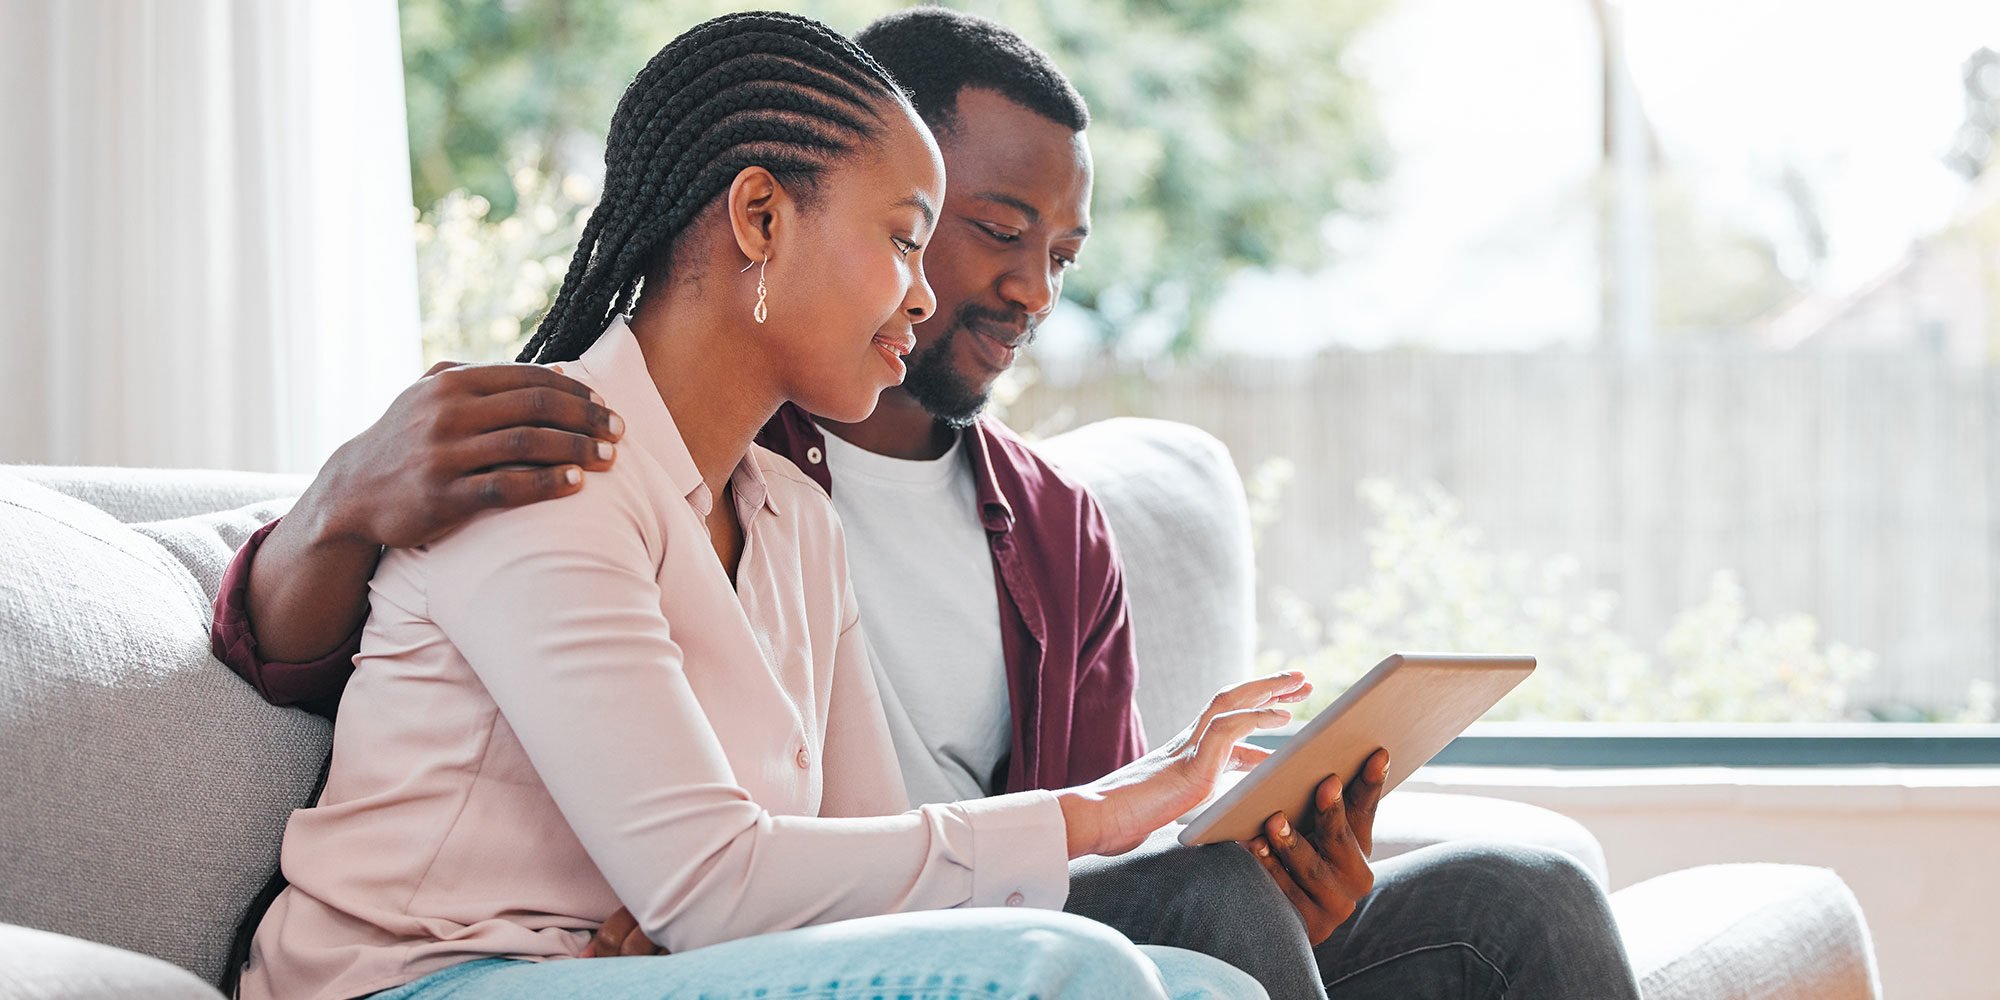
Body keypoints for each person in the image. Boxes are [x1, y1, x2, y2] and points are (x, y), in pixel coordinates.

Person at [217, 9, 1644, 1000]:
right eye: (931, 235)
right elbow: (714, 877)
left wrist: (1165, 829)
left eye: (1060, 253)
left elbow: (835, 872)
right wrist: (1091, 817)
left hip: (706, 942)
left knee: (1360, 921)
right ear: (764, 220)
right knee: (1105, 963)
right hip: (437, 977)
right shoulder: (540, 460)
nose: (952, 292)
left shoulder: (792, 519)